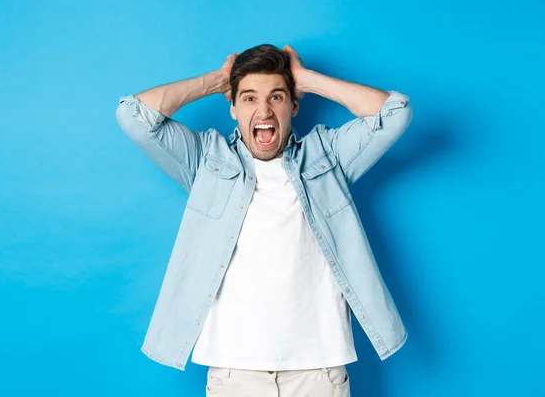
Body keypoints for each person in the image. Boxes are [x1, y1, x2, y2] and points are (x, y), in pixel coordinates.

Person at [115, 44, 413, 397]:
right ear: (234, 108)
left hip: (318, 371)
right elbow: (133, 116)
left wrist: (308, 79)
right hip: (234, 374)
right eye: (250, 98)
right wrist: (216, 80)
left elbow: (395, 112)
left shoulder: (328, 156)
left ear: (293, 105)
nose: (264, 109)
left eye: (276, 97)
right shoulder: (205, 160)